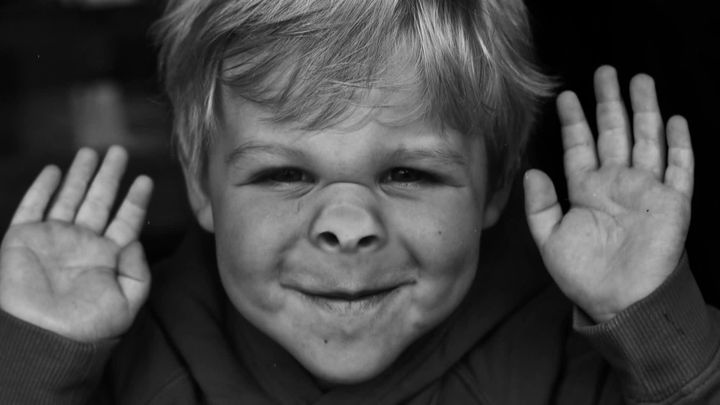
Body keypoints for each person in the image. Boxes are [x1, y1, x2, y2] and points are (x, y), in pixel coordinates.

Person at [1, 0, 718, 403]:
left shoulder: (570, 363)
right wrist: (29, 363)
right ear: (201, 184)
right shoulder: (126, 370)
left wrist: (661, 335)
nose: (347, 225)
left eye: (409, 173)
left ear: (495, 185)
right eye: (284, 174)